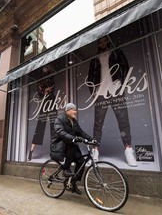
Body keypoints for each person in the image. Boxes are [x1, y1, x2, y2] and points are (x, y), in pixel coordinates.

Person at [88, 36, 137, 166]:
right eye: (100, 42)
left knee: (123, 120)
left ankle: (128, 150)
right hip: (101, 92)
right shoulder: (94, 59)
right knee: (98, 124)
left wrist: (123, 84)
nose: (103, 43)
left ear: (108, 41)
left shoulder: (116, 52)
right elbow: (90, 76)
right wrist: (92, 91)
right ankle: (95, 151)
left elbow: (125, 67)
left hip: (115, 89)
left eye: (105, 41)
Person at [50, 103, 94, 195]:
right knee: (71, 145)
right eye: (74, 110)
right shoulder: (60, 119)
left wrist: (92, 139)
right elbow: (60, 131)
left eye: (75, 109)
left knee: (81, 162)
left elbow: (81, 132)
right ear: (68, 110)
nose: (75, 111)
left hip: (71, 144)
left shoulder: (74, 121)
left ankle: (73, 183)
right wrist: (73, 138)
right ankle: (66, 168)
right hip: (60, 145)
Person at [28, 65, 57, 161]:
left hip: (52, 101)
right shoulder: (41, 78)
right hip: (45, 102)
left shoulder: (52, 76)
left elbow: (53, 89)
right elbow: (41, 92)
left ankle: (55, 152)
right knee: (40, 125)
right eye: (46, 67)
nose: (47, 68)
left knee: (54, 125)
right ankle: (31, 150)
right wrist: (45, 90)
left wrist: (46, 90)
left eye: (48, 67)